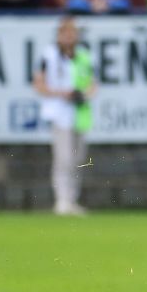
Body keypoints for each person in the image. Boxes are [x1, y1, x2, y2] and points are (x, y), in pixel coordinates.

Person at [32, 16, 97, 216]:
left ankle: (72, 199)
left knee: (79, 158)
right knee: (64, 158)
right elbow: (39, 84)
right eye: (65, 34)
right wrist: (61, 94)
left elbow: (92, 84)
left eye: (72, 34)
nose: (69, 38)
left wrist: (83, 94)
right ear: (59, 36)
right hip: (59, 112)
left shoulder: (83, 56)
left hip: (80, 112)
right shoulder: (49, 56)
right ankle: (62, 200)